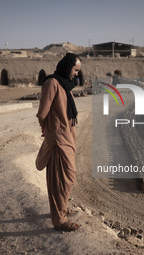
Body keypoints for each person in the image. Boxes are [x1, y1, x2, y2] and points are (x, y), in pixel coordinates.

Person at [36, 53, 82, 231]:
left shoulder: (65, 84)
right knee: (60, 179)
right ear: (67, 66)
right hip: (58, 139)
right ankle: (59, 220)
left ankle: (61, 209)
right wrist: (47, 129)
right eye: (75, 69)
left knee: (68, 177)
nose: (77, 74)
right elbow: (42, 113)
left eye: (78, 71)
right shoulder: (52, 83)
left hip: (68, 137)